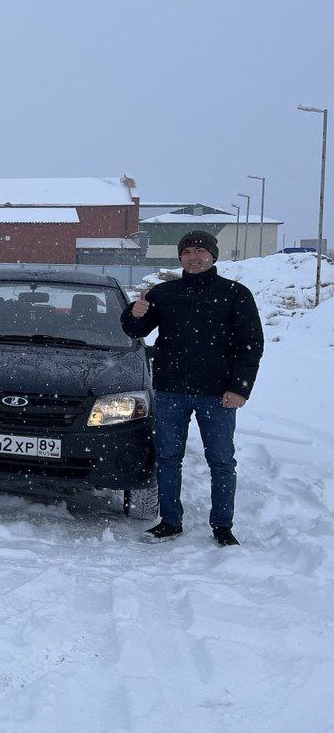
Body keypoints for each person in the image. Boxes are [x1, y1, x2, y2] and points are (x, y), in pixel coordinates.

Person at [121, 229, 264, 546]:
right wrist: (134, 313)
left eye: (200, 251)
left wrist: (240, 388)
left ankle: (222, 526)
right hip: (170, 391)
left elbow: (251, 344)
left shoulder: (235, 294)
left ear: (213, 256)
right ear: (180, 258)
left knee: (221, 462)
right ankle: (170, 521)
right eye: (187, 252)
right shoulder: (164, 293)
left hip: (218, 395)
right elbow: (136, 329)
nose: (193, 257)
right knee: (168, 459)